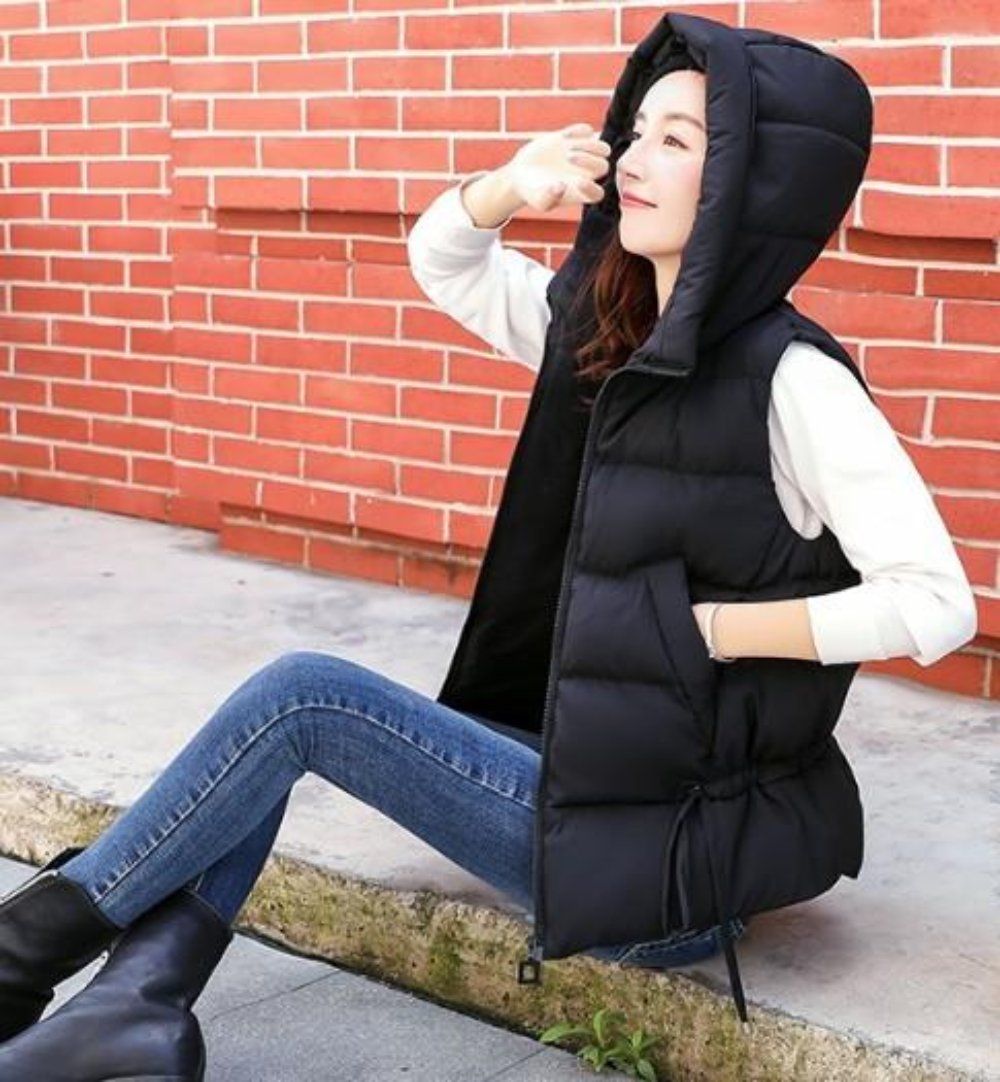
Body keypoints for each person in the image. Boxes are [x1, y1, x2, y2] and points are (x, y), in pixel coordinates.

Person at [0, 10, 978, 1080]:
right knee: (257, 748)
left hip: (668, 869)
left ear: (753, 181)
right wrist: (511, 186)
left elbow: (935, 604)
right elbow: (446, 263)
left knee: (301, 699)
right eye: (635, 130)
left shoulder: (793, 382)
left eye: (677, 140)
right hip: (594, 788)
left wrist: (702, 629)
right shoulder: (608, 336)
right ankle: (134, 1006)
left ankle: (24, 956)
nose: (630, 159)